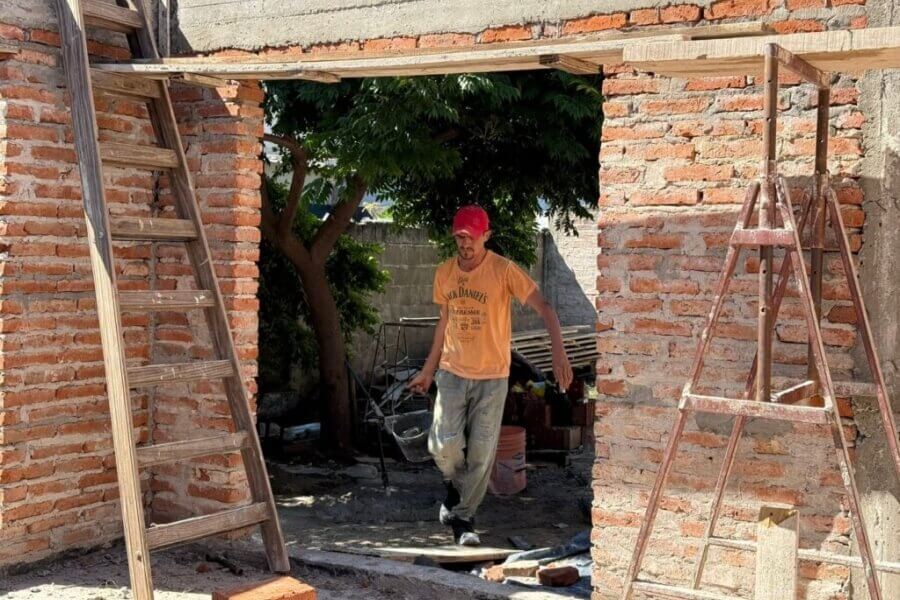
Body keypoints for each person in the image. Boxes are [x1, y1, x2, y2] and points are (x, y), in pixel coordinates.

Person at [408, 205, 573, 546]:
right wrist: (427, 371)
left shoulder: (503, 270)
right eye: (459, 237)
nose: (465, 244)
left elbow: (545, 307)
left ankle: (464, 517)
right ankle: (454, 488)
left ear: (486, 236)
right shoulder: (445, 273)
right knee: (443, 445)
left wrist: (559, 353)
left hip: (493, 377)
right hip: (452, 372)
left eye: (471, 237)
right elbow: (444, 323)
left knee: (482, 453)